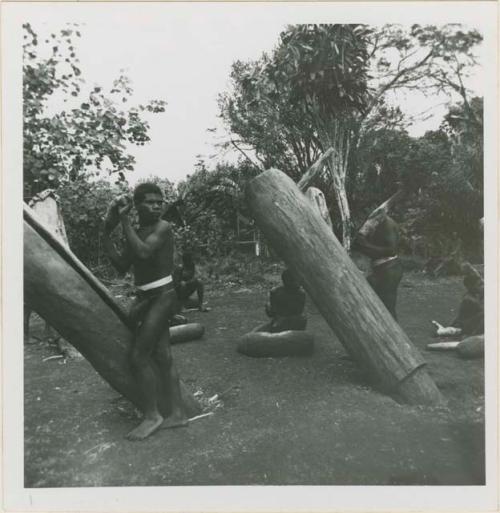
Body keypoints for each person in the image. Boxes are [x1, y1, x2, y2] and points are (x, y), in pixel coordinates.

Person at [103, 182, 187, 441]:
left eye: (159, 202)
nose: (157, 206)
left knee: (139, 357)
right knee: (163, 355)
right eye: (150, 202)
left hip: (163, 296)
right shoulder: (138, 231)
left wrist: (124, 219)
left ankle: (153, 416)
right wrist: (104, 234)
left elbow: (144, 251)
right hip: (147, 298)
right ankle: (178, 414)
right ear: (138, 205)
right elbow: (120, 265)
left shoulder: (163, 227)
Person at [352, 207, 403, 320]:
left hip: (389, 270)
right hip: (381, 269)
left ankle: (394, 335)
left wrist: (365, 245)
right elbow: (370, 249)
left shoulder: (387, 224)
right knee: (374, 303)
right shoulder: (373, 224)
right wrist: (361, 244)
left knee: (387, 306)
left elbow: (391, 250)